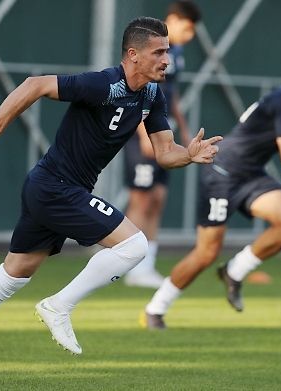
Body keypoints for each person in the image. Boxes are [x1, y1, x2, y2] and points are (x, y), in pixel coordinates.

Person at [0, 16, 222, 377]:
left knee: (14, 275)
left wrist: (189, 154)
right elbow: (34, 85)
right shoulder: (104, 84)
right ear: (133, 55)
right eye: (158, 52)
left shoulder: (151, 95)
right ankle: (59, 306)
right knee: (134, 246)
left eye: (167, 51)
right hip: (55, 187)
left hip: (53, 188)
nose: (166, 60)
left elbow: (164, 152)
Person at [141, 53, 281, 329]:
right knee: (206, 253)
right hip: (223, 173)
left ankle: (234, 271)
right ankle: (155, 308)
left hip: (251, 173)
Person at [123, 1, 201, 289]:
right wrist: (144, 134)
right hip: (142, 133)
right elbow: (141, 87)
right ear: (173, 19)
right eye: (188, 28)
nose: (190, 35)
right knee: (141, 198)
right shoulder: (151, 46)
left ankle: (146, 266)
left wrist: (183, 126)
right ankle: (126, 263)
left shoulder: (176, 55)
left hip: (161, 132)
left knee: (157, 198)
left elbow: (172, 95)